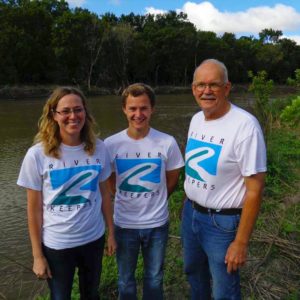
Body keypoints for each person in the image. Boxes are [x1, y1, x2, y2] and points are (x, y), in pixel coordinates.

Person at [17, 86, 116, 300]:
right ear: (53, 115)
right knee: (60, 296)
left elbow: (105, 195)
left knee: (91, 294)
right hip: (57, 245)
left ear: (86, 113)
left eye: (78, 109)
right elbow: (33, 211)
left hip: (93, 239)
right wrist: (37, 256)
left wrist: (111, 232)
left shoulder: (99, 148)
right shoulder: (37, 155)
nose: (73, 116)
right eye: (65, 111)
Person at [181, 59, 267, 299]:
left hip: (222, 224)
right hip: (191, 215)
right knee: (193, 274)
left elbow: (255, 189)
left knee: (224, 290)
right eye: (200, 85)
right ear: (193, 88)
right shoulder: (196, 119)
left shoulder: (245, 126)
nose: (206, 91)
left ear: (227, 88)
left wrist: (240, 242)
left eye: (214, 85)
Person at [104, 83, 184, 300]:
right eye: (132, 108)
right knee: (125, 280)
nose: (138, 114)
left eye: (143, 108)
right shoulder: (110, 144)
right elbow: (110, 181)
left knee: (155, 277)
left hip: (157, 224)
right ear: (124, 109)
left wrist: (157, 198)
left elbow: (173, 177)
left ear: (152, 109)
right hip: (124, 224)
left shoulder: (167, 142)